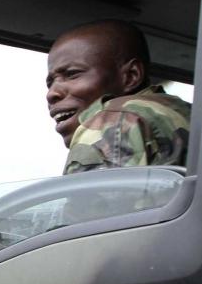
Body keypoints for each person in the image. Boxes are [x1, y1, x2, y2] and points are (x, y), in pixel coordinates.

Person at [45, 19, 191, 174]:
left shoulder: (116, 120)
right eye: (50, 83)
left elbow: (91, 198)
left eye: (72, 74)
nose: (52, 94)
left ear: (130, 76)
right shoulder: (190, 117)